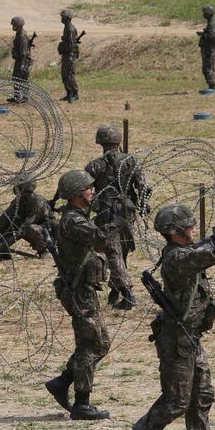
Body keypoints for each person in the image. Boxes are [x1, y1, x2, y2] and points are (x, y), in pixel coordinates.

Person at [109, 201, 215, 430]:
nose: (193, 228)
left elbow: (210, 246)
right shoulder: (178, 258)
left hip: (189, 338)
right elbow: (214, 251)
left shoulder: (184, 251)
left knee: (202, 395)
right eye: (188, 225)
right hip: (176, 341)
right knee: (175, 402)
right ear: (176, 232)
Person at [44, 170, 116, 420]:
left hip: (81, 289)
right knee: (92, 344)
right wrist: (114, 219)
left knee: (97, 342)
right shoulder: (74, 221)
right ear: (76, 195)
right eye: (88, 189)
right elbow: (101, 241)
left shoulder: (77, 217)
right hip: (78, 291)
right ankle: (81, 403)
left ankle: (62, 382)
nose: (92, 192)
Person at [85, 124, 150, 310]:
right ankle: (115, 290)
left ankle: (128, 294)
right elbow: (144, 186)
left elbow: (84, 189)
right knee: (121, 251)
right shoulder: (131, 161)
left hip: (108, 213)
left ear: (101, 142)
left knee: (113, 252)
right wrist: (143, 205)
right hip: (128, 212)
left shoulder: (95, 166)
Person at [0, 173, 55, 260]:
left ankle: (43, 251)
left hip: (47, 233)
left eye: (17, 186)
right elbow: (3, 220)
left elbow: (25, 226)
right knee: (7, 224)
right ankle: (5, 254)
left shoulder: (38, 202)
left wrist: (7, 244)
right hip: (25, 228)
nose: (15, 188)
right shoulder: (18, 201)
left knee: (31, 228)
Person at [198, 5, 215, 90]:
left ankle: (211, 87)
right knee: (209, 68)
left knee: (207, 68)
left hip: (209, 50)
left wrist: (203, 35)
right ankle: (212, 86)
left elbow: (211, 37)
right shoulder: (212, 23)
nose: (203, 14)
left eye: (205, 13)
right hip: (210, 49)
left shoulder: (211, 24)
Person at [8, 16, 32, 103]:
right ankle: (17, 97)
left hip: (23, 61)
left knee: (23, 79)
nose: (12, 27)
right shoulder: (19, 34)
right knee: (15, 78)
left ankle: (25, 98)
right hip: (20, 60)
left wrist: (22, 64)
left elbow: (23, 52)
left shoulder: (22, 36)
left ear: (19, 26)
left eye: (14, 25)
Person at [58, 9, 80, 103]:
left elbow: (70, 45)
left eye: (63, 17)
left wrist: (63, 48)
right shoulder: (66, 28)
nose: (61, 19)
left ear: (67, 18)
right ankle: (69, 93)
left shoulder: (70, 29)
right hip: (66, 55)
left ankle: (75, 93)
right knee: (65, 75)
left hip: (69, 55)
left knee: (70, 75)